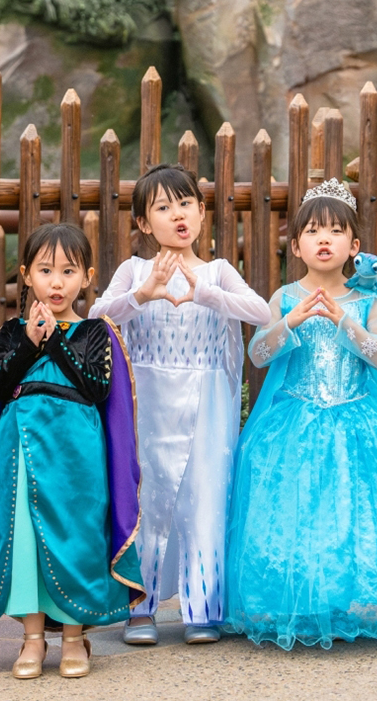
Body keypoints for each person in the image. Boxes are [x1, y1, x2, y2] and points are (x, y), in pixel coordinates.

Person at [224, 179, 377, 650]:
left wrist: (345, 323)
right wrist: (292, 321)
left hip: (357, 421)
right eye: (312, 231)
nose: (323, 240)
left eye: (334, 231)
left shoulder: (366, 299)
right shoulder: (286, 296)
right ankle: (299, 603)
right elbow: (259, 354)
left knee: (356, 511)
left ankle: (353, 599)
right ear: (297, 245)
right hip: (294, 422)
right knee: (298, 512)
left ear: (355, 245)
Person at [0, 222, 144, 679]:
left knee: (77, 536)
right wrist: (31, 343)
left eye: (68, 271)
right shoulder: (13, 333)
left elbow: (95, 387)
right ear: (26, 275)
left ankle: (75, 639)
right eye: (46, 270)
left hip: (78, 457)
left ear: (87, 276)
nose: (57, 282)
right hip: (21, 450)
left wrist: (55, 340)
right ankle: (32, 640)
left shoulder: (94, 331)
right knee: (24, 540)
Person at [88, 164, 272, 645]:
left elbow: (263, 312)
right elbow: (94, 317)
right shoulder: (134, 271)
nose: (178, 214)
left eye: (186, 203)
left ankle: (202, 608)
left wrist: (205, 292)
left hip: (208, 403)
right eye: (163, 207)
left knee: (204, 494)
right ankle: (140, 607)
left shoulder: (218, 271)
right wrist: (142, 294)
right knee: (147, 496)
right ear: (145, 224)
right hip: (147, 403)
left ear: (203, 211)